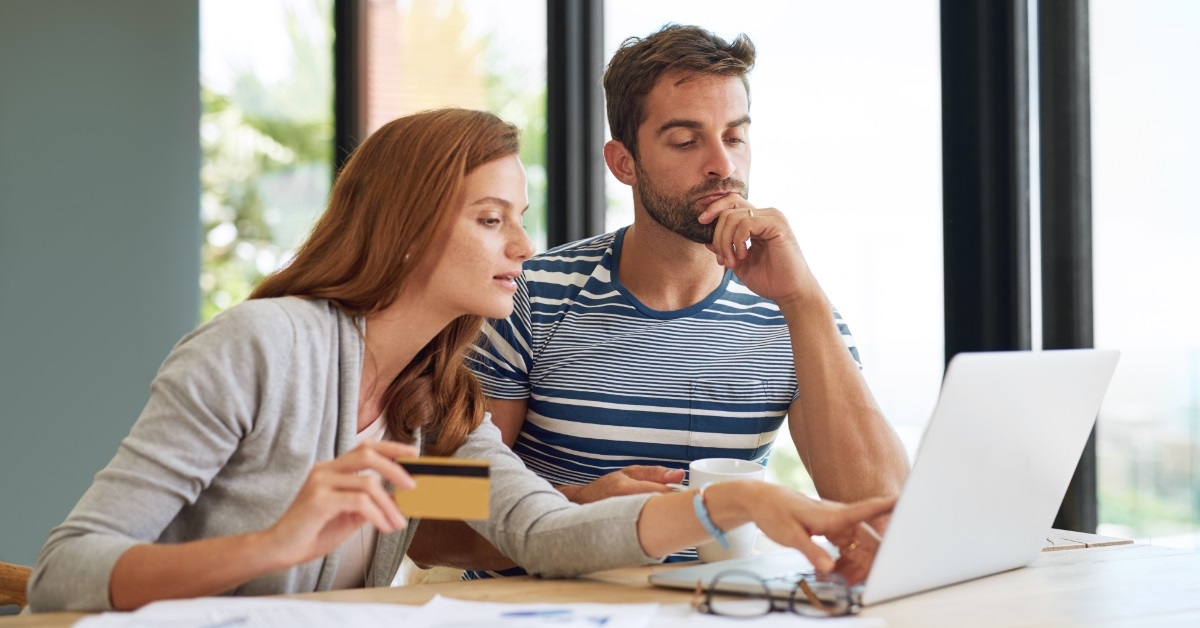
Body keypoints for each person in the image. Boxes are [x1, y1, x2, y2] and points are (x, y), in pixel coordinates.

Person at [27, 108, 895, 613]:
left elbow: (542, 535)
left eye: (519, 216)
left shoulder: (434, 402)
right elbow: (65, 572)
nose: (522, 244)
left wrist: (736, 500)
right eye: (491, 220)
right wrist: (275, 541)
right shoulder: (257, 349)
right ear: (405, 230)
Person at [410, 25, 910, 579]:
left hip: (719, 612)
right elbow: (427, 525)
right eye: (686, 141)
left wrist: (804, 298)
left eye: (735, 137)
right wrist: (575, 509)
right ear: (624, 163)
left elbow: (883, 518)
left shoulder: (795, 313)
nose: (723, 166)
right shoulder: (524, 296)